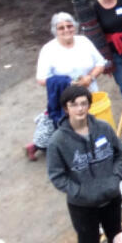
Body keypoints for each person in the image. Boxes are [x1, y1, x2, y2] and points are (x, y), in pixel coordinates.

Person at [46, 83, 122, 243]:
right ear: (66, 109)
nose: (80, 108)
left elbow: (120, 153)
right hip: (82, 206)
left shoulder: (103, 128)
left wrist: (115, 178)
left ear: (89, 106)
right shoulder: (58, 141)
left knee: (117, 240)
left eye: (84, 103)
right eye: (74, 105)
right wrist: (79, 191)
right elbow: (57, 175)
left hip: (110, 197)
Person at [29, 11, 106, 162]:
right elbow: (41, 78)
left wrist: (89, 78)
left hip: (90, 93)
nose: (66, 30)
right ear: (55, 30)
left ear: (75, 27)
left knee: (92, 124)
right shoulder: (48, 50)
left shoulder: (84, 41)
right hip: (67, 100)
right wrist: (68, 83)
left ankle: (95, 152)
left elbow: (100, 63)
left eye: (69, 26)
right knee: (74, 129)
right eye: (61, 28)